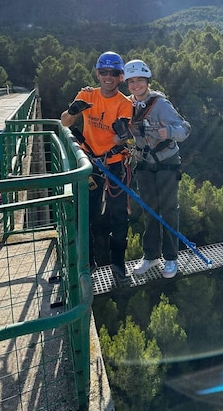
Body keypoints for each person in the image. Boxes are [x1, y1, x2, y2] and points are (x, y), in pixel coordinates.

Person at [60, 51, 133, 276]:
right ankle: (87, 262)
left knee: (119, 215)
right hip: (90, 165)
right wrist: (73, 111)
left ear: (121, 76)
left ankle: (118, 263)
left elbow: (120, 137)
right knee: (85, 214)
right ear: (97, 74)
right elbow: (64, 122)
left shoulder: (124, 104)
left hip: (114, 164)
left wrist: (122, 133)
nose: (108, 77)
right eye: (104, 72)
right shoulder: (87, 95)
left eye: (113, 73)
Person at [124, 59, 191, 279]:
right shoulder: (127, 105)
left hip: (166, 163)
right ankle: (151, 255)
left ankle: (171, 258)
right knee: (149, 211)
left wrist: (169, 132)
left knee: (169, 210)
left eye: (140, 80)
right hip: (144, 164)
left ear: (147, 81)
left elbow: (185, 128)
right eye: (131, 81)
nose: (136, 85)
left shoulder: (160, 104)